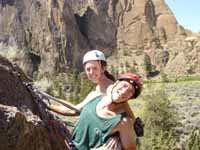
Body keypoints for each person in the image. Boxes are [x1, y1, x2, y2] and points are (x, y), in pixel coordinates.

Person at [71, 72, 142, 150]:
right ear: (116, 83)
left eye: (130, 92)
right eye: (124, 85)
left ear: (129, 98)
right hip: (71, 143)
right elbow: (74, 110)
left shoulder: (124, 122)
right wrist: (54, 107)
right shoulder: (96, 97)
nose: (124, 91)